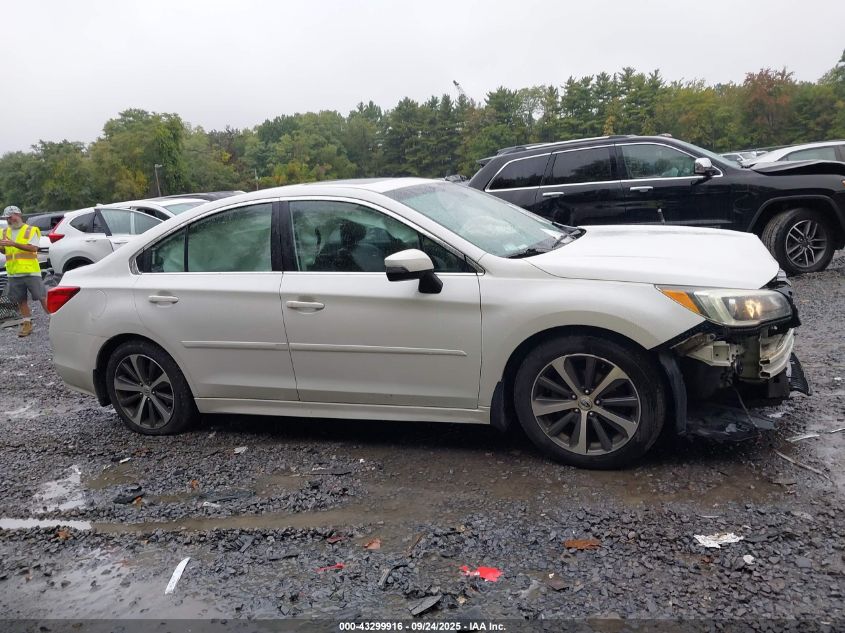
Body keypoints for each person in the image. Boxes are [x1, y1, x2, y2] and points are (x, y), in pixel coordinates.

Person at [0, 206, 48, 337]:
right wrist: (2, 247)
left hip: (31, 271)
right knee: (21, 300)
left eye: (11, 217)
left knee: (42, 297)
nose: (9, 220)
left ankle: (54, 319)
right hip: (14, 272)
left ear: (18, 215)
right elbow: (4, 250)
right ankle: (27, 323)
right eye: (7, 218)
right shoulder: (4, 232)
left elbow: (33, 248)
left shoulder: (31, 230)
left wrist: (13, 244)